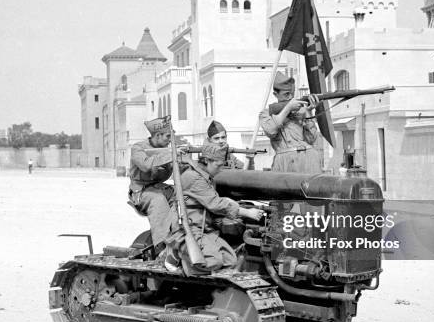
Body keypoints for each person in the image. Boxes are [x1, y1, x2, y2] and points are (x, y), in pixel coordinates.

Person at [166, 143, 263, 275]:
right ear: (206, 161)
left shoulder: (206, 177)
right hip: (188, 229)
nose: (220, 169)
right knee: (213, 262)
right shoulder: (194, 177)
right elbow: (215, 204)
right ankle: (175, 253)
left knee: (230, 261)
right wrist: (247, 212)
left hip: (204, 229)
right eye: (218, 165)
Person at [128, 116, 180, 251]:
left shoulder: (168, 149)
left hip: (160, 188)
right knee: (158, 201)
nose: (170, 140)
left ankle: (179, 235)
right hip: (142, 192)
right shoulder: (138, 148)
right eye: (167, 137)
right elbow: (145, 165)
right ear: (157, 135)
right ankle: (162, 248)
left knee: (184, 195)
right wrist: (171, 155)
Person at [259, 72, 322, 173]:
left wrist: (308, 112)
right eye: (286, 94)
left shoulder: (301, 110)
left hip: (309, 159)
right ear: (275, 94)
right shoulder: (266, 113)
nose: (290, 97)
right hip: (285, 162)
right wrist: (288, 108)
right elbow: (271, 130)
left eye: (292, 94)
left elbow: (311, 139)